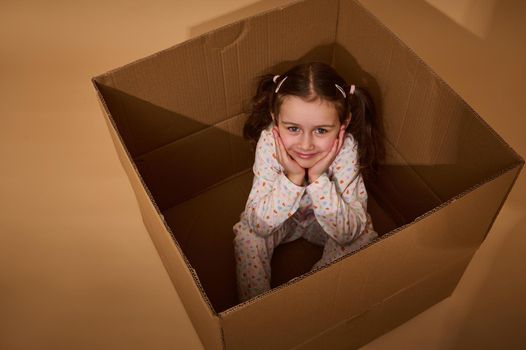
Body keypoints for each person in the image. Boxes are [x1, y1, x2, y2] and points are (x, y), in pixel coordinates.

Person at [233, 62, 385, 302]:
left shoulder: (346, 149)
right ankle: (257, 306)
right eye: (293, 128)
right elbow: (259, 224)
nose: (306, 145)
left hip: (324, 224)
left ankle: (305, 297)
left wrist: (317, 179)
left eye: (321, 131)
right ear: (276, 119)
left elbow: (348, 233)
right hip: (282, 219)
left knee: (363, 236)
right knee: (247, 233)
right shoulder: (270, 142)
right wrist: (293, 179)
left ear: (342, 124)